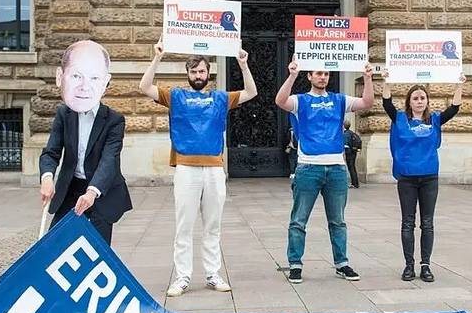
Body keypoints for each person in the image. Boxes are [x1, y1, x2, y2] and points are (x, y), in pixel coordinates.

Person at [139, 39, 257, 297]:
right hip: (186, 167)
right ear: (188, 74)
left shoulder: (220, 98)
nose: (198, 75)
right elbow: (144, 86)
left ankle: (213, 274)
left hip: (214, 168)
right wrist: (157, 57)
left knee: (212, 226)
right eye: (193, 72)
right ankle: (182, 277)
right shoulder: (176, 96)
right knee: (184, 225)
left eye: (202, 71)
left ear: (208, 73)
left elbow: (251, 93)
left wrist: (243, 64)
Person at [275, 56, 374, 284]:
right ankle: (295, 264)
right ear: (309, 76)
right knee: (299, 220)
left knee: (338, 220)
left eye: (326, 74)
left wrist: (368, 78)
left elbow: (366, 103)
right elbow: (280, 101)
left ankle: (342, 263)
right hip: (309, 167)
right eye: (318, 73)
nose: (322, 77)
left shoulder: (339, 100)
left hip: (337, 168)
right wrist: (291, 75)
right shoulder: (301, 101)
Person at [40, 40, 133, 245]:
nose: (84, 86)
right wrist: (47, 177)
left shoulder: (114, 120)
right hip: (71, 188)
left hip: (101, 191)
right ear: (61, 77)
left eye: (94, 78)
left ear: (104, 84)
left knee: (97, 251)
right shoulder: (64, 114)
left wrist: (92, 193)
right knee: (54, 245)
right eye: (76, 76)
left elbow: (109, 161)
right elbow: (51, 152)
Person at [382, 71, 465, 282]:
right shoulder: (400, 118)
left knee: (427, 223)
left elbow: (453, 109)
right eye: (415, 98)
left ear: (427, 101)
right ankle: (409, 266)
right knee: (407, 222)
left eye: (422, 98)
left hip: (429, 178)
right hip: (407, 178)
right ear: (409, 102)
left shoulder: (435, 119)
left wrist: (459, 84)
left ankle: (425, 265)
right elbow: (387, 104)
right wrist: (387, 80)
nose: (419, 101)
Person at [343, 121, 362, 188]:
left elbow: (345, 144)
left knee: (351, 168)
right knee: (353, 167)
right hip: (354, 152)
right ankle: (355, 182)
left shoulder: (346, 134)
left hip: (349, 152)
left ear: (344, 126)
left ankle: (354, 183)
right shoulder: (352, 132)